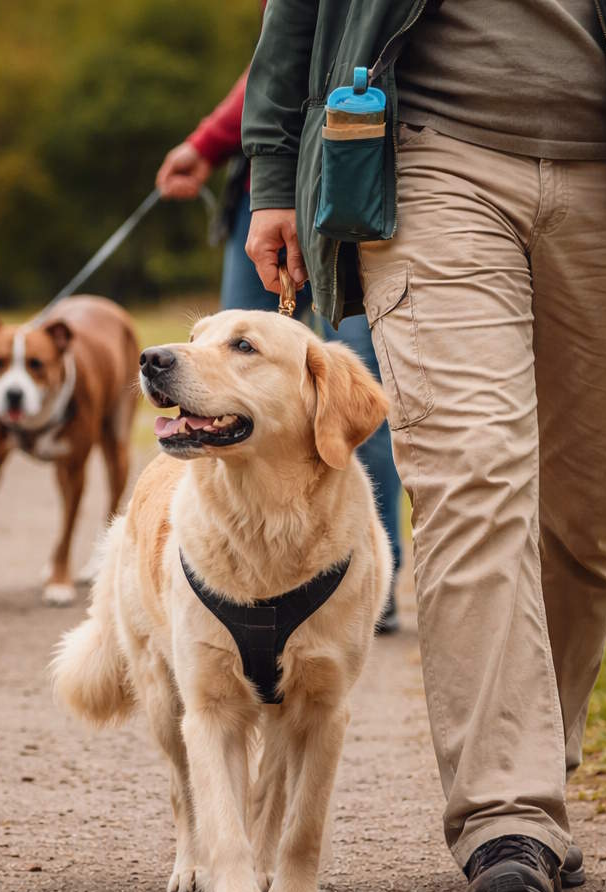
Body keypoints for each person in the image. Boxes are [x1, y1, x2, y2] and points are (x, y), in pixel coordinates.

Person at [241, 0, 606, 892]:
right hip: (429, 155)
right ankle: (509, 818)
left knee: (586, 513)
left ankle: (544, 753)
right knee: (472, 478)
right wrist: (272, 171)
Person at [155, 71, 404, 633]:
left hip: (365, 190)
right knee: (218, 390)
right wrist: (207, 145)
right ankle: (222, 580)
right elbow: (275, 67)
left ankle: (363, 579)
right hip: (266, 199)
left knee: (350, 401)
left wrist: (205, 144)